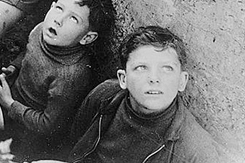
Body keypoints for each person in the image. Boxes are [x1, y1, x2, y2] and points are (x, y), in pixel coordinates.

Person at [0, 0, 116, 161]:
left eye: (73, 19)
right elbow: (28, 51)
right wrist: (13, 68)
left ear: (87, 38)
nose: (58, 20)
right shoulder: (42, 29)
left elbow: (47, 126)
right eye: (59, 8)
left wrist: (8, 103)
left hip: (27, 127)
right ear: (52, 6)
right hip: (14, 93)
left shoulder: (70, 75)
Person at [36, 26, 233, 163]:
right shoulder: (105, 96)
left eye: (167, 69)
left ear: (182, 81)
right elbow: (74, 141)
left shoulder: (194, 150)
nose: (154, 78)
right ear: (123, 78)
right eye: (141, 68)